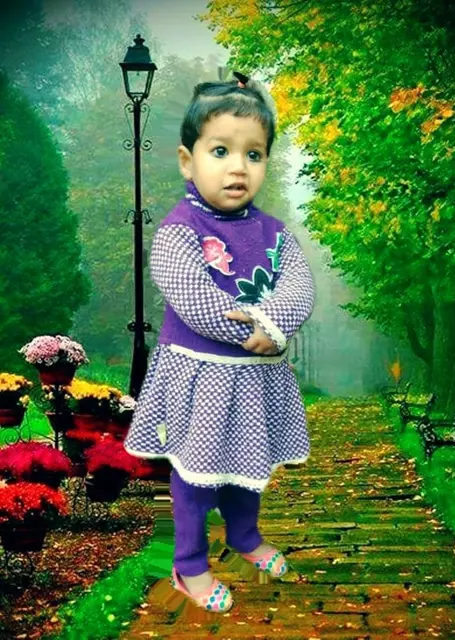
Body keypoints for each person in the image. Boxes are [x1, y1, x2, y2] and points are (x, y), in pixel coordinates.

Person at [124, 71, 316, 613]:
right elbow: (194, 297)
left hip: (256, 377)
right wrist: (253, 332)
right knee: (196, 472)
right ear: (188, 161)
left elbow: (299, 285)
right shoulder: (179, 230)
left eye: (254, 154)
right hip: (200, 377)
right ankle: (188, 564)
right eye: (221, 151)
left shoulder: (275, 234)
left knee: (250, 462)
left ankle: (245, 535)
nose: (238, 167)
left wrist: (274, 324)